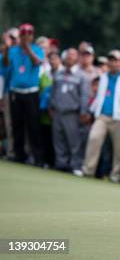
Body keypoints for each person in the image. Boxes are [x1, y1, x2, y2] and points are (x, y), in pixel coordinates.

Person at [81, 50, 120, 182]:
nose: (113, 63)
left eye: (115, 60)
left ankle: (115, 175)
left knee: (119, 149)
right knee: (94, 138)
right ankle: (88, 170)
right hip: (102, 116)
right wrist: (90, 111)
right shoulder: (103, 77)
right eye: (111, 60)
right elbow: (99, 97)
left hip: (119, 118)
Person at [1, 23, 45, 166]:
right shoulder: (13, 50)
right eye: (23, 35)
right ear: (20, 36)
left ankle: (37, 158)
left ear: (32, 36)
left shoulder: (37, 49)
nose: (25, 37)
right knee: (17, 125)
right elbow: (6, 65)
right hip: (15, 92)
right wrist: (6, 51)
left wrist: (28, 49)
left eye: (28, 34)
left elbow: (37, 62)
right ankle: (19, 155)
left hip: (31, 93)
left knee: (33, 126)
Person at [49, 48, 90, 174]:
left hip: (72, 113)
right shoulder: (59, 73)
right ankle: (61, 164)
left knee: (74, 142)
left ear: (77, 58)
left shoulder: (82, 76)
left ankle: (75, 165)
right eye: (68, 55)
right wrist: (51, 106)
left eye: (72, 55)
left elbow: (84, 95)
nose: (69, 57)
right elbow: (53, 92)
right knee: (58, 140)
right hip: (58, 112)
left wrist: (83, 112)